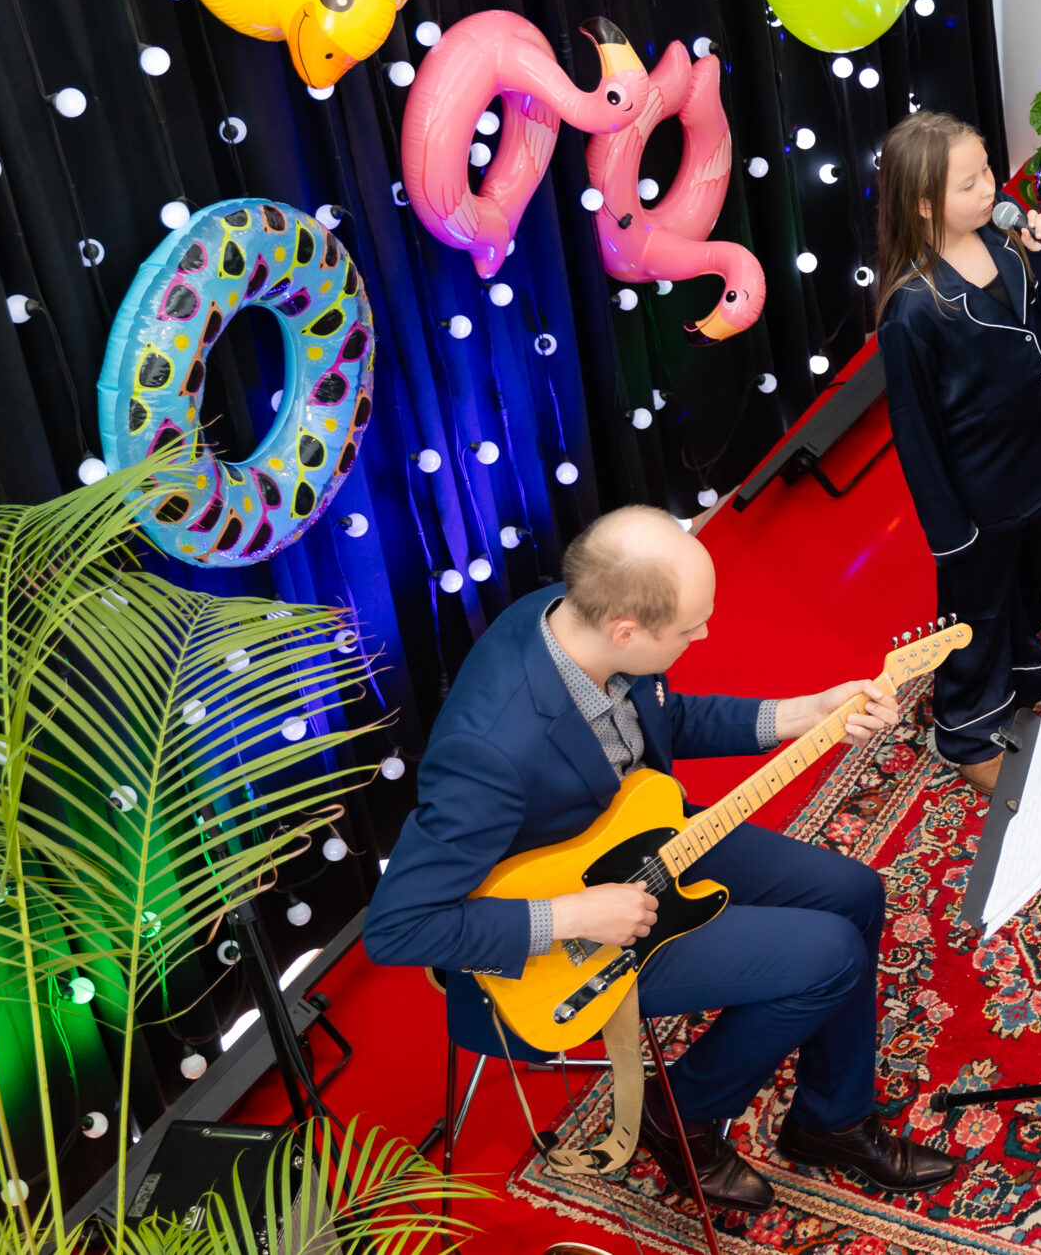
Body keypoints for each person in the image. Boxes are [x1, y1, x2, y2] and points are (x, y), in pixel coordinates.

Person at [363, 507, 956, 1213]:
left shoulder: (576, 617)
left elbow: (659, 720)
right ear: (626, 631)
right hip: (574, 936)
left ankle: (831, 1120)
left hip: (640, 833)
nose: (704, 635)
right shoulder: (488, 752)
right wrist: (573, 914)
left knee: (854, 891)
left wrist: (806, 712)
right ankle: (679, 1114)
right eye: (689, 628)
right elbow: (397, 928)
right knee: (832, 955)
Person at [875, 111, 1041, 794]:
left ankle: (1027, 666)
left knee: (1028, 578)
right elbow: (914, 430)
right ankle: (966, 725)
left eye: (988, 173)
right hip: (979, 490)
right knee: (977, 609)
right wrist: (950, 530)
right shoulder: (912, 308)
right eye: (968, 183)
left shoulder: (1005, 241)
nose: (990, 189)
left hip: (1039, 457)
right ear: (923, 204)